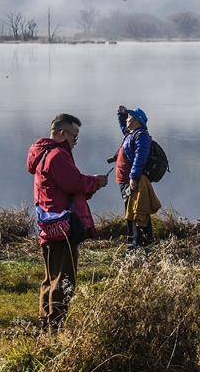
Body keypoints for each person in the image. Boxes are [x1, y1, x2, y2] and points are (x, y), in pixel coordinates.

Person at [26, 113, 109, 331]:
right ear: (62, 133)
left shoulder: (43, 153)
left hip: (48, 224)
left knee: (50, 276)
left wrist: (88, 185)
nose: (75, 141)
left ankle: (46, 322)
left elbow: (65, 186)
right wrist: (96, 182)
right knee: (64, 278)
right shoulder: (57, 156)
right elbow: (74, 183)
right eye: (74, 136)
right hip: (63, 224)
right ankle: (56, 326)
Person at [116, 105, 161, 249]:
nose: (127, 119)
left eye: (130, 117)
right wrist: (120, 114)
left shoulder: (141, 136)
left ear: (137, 121)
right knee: (134, 211)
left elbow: (140, 157)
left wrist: (133, 177)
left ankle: (136, 246)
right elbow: (124, 127)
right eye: (128, 117)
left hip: (132, 181)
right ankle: (143, 245)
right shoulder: (131, 134)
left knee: (135, 213)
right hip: (125, 181)